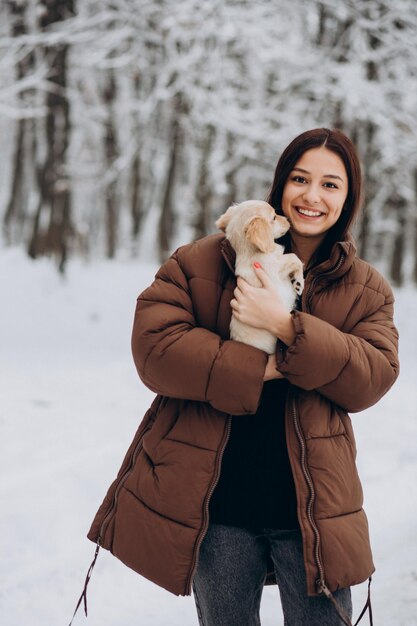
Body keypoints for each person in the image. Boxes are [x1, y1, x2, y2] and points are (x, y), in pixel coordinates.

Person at [85, 128, 399, 626]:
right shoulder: (203, 261)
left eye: (330, 184)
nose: (312, 196)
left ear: (349, 197)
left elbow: (372, 375)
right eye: (300, 179)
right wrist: (265, 367)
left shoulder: (365, 289)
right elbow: (155, 349)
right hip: (220, 507)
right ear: (280, 186)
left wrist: (286, 325)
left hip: (314, 514)